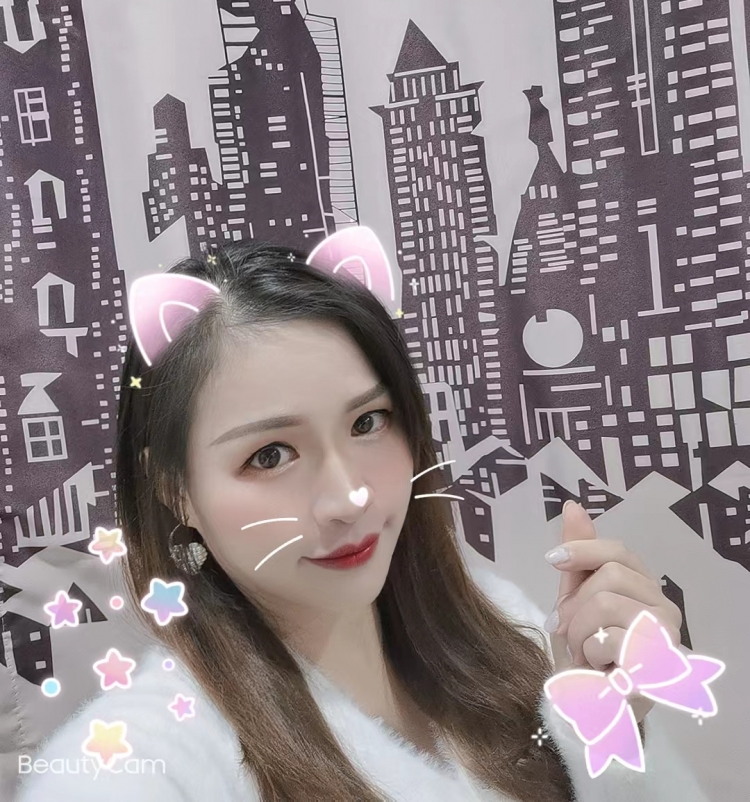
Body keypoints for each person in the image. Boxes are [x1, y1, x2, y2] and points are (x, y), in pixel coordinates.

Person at [17, 238, 711, 802]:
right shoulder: (153, 751)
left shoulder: (503, 627)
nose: (348, 497)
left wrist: (607, 717)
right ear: (177, 490)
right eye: (270, 455)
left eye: (368, 422)